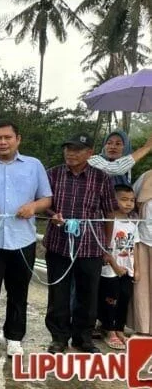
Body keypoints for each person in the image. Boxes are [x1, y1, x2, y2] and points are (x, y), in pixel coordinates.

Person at [0, 119, 52, 360]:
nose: (2, 142)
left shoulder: (34, 165)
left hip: (23, 240)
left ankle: (14, 337)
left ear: (18, 139)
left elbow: (46, 198)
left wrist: (33, 207)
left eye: (7, 137)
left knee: (19, 291)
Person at [44, 133, 116, 354]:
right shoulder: (53, 174)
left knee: (88, 294)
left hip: (90, 246)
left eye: (77, 149)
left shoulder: (101, 178)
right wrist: (53, 214)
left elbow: (109, 214)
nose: (71, 153)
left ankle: (83, 338)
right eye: (68, 148)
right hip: (58, 244)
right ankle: (59, 338)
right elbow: (44, 203)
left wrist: (106, 246)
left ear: (89, 153)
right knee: (58, 294)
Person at [98, 184, 136, 350]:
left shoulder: (133, 223)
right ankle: (108, 329)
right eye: (124, 199)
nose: (128, 203)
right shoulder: (108, 222)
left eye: (132, 200)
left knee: (124, 298)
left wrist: (137, 268)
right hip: (110, 270)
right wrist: (115, 266)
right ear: (113, 201)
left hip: (127, 269)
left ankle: (119, 329)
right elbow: (105, 248)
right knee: (110, 299)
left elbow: (135, 246)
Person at [88, 131, 152, 186]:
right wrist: (146, 147)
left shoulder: (126, 168)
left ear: (126, 147)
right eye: (109, 143)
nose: (112, 147)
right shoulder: (93, 160)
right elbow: (115, 168)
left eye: (118, 144)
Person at [133, 172, 152, 336]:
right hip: (145, 240)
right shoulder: (146, 177)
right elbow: (132, 201)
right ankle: (144, 327)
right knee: (143, 289)